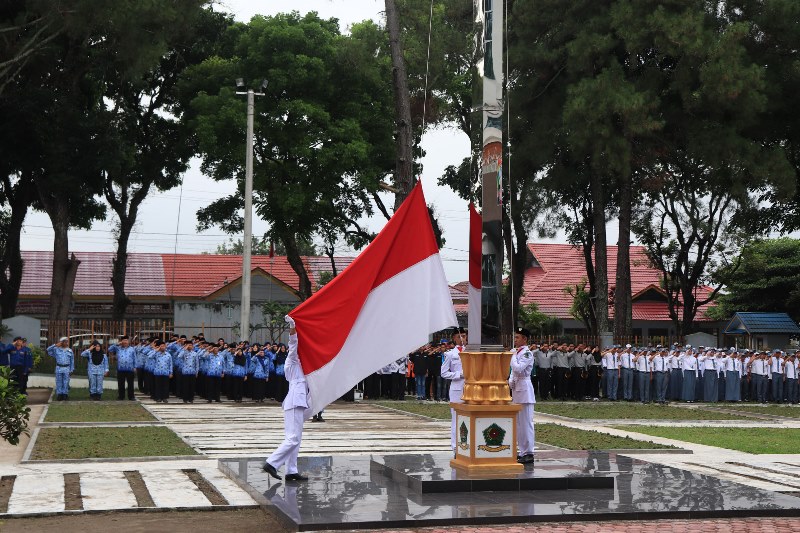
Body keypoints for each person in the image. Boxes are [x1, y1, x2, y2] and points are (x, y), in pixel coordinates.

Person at [263, 315, 310, 482]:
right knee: (293, 438)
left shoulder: (302, 368)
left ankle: (291, 470)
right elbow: (293, 345)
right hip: (294, 402)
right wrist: (293, 327)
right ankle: (272, 463)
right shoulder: (291, 364)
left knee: (295, 438)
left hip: (297, 403)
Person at [509, 327, 536, 464]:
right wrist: (510, 382)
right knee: (519, 425)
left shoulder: (527, 354)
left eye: (518, 337)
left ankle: (529, 452)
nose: (515, 340)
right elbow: (513, 373)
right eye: (515, 337)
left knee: (526, 424)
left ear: (525, 339)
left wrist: (513, 356)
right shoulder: (518, 352)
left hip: (525, 391)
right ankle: (523, 451)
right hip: (517, 390)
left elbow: (518, 368)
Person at [440, 328, 465, 455]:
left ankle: (466, 446)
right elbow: (443, 373)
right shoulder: (450, 354)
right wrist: (458, 375)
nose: (463, 339)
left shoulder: (470, 352)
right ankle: (456, 448)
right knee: (456, 419)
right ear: (454, 338)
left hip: (470, 388)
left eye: (465, 336)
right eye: (460, 336)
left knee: (468, 418)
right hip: (456, 388)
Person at [108, 335, 136, 401]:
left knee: (130, 384)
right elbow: (109, 349)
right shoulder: (118, 348)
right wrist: (117, 344)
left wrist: (135, 367)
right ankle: (121, 396)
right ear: (121, 341)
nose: (125, 342)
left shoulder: (132, 349)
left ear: (128, 341)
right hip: (120, 369)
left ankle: (131, 397)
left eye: (126, 340)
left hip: (130, 369)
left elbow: (135, 358)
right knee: (121, 383)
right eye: (124, 340)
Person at [47, 337, 74, 401]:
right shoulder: (56, 349)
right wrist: (55, 345)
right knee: (59, 382)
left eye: (67, 342)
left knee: (66, 382)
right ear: (61, 342)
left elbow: (72, 361)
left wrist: (71, 369)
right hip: (59, 367)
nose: (66, 343)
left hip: (67, 368)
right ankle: (59, 395)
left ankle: (65, 394)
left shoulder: (70, 350)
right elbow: (48, 350)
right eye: (64, 342)